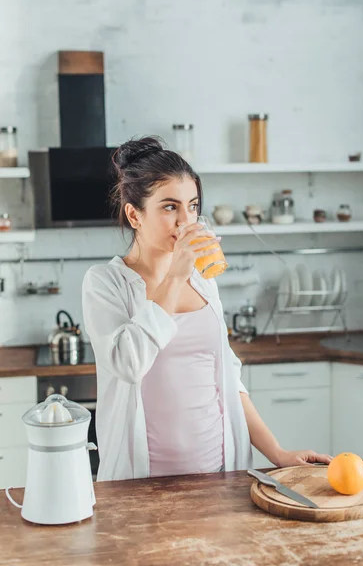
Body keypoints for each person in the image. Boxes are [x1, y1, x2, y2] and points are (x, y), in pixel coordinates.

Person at [82, 136, 332, 481]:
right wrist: (174, 277)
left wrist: (277, 452)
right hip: (141, 483)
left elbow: (228, 375)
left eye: (193, 206)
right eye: (170, 207)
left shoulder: (202, 279)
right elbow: (128, 363)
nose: (187, 221)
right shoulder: (106, 283)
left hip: (219, 474)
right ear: (134, 215)